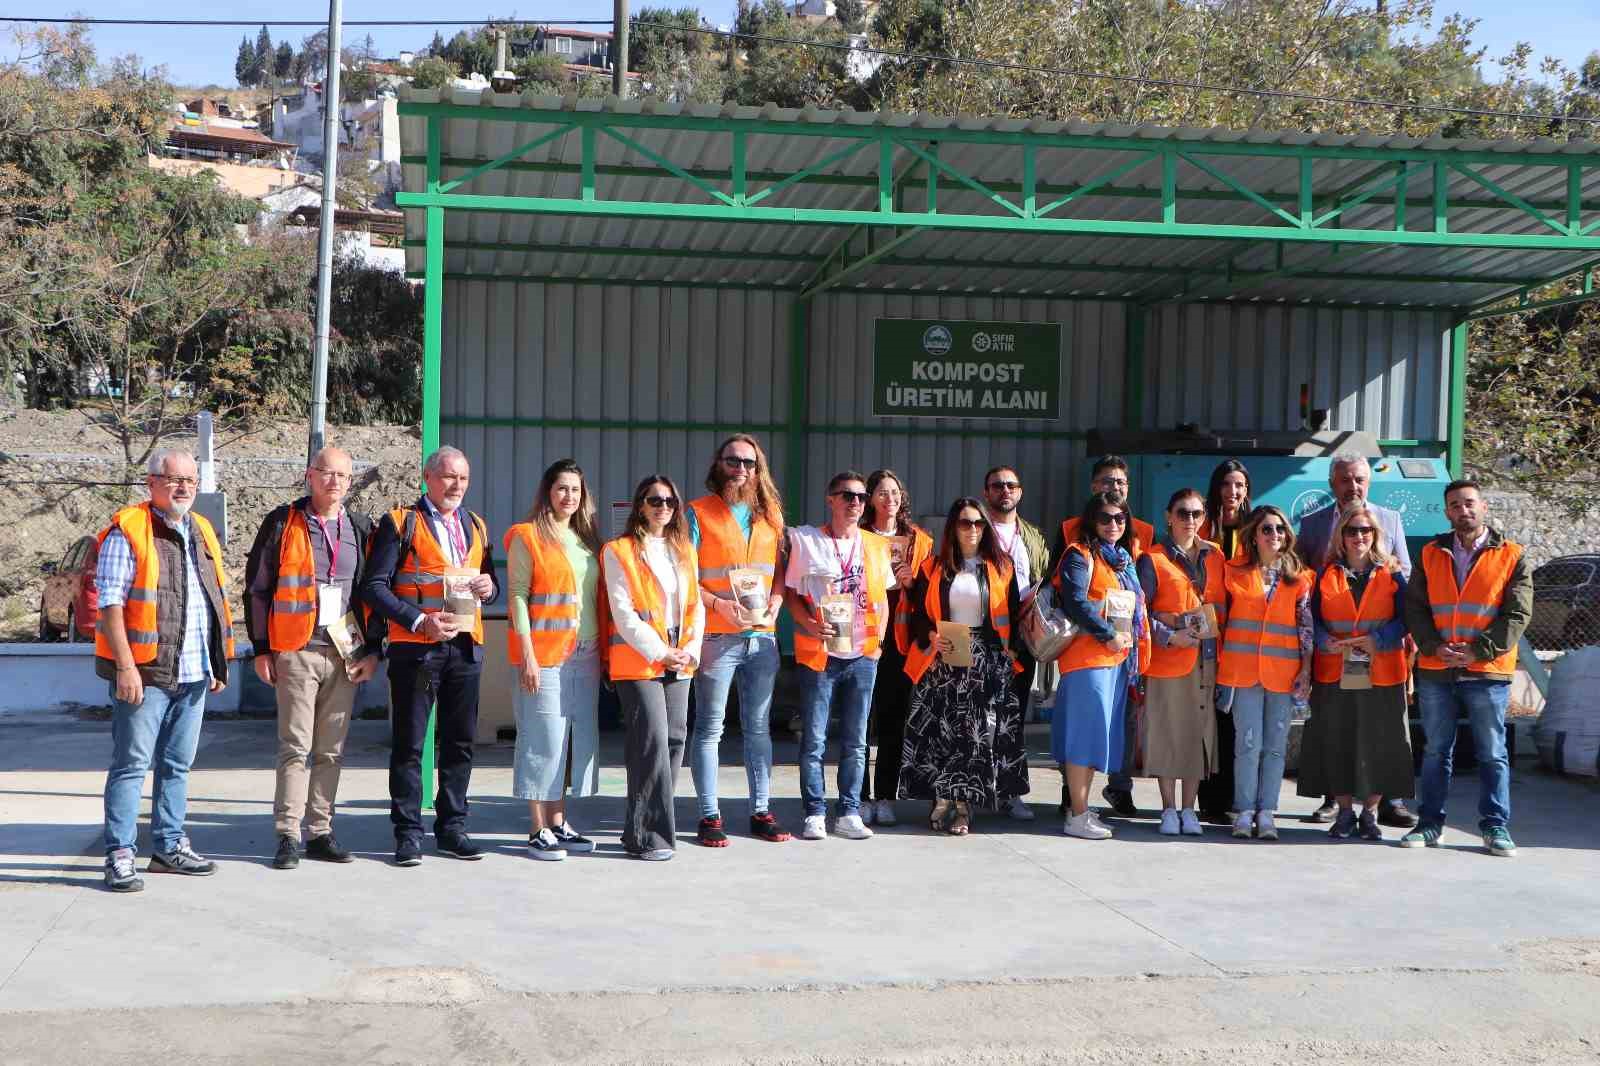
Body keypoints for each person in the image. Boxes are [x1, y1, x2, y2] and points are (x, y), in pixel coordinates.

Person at [96, 449, 236, 893]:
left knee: (177, 765)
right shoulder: (130, 531)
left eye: (190, 481)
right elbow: (110, 606)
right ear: (151, 482)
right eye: (174, 479)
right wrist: (125, 667)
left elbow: (213, 602)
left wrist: (214, 661)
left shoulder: (201, 531)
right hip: (147, 674)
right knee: (131, 766)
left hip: (193, 673)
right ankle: (120, 853)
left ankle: (168, 847)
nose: (183, 488)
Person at [244, 445, 382, 871]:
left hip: (344, 653)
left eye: (343, 475)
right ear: (310, 475)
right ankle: (288, 834)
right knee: (295, 747)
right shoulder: (284, 522)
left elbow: (373, 591)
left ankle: (320, 831)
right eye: (327, 473)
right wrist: (263, 648)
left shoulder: (360, 527)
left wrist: (373, 650)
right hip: (297, 650)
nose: (335, 481)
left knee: (331, 749)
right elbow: (258, 588)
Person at [362, 445, 499, 867]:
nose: (455, 485)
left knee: (460, 742)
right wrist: (419, 621)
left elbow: (487, 576)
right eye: (447, 477)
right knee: (410, 744)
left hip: (464, 647)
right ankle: (408, 834)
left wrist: (488, 589)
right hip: (416, 649)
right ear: (428, 477)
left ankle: (453, 827)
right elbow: (374, 587)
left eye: (462, 478)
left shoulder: (475, 524)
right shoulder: (401, 522)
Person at [1400, 479, 1532, 857]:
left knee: (1492, 753)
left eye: (1469, 503)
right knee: (1436, 751)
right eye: (1455, 505)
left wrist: (1478, 651)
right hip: (1437, 667)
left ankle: (1495, 827)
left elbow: (1518, 613)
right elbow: (1415, 607)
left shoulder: (1512, 554)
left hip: (1487, 671)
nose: (1463, 510)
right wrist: (1432, 646)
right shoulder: (1429, 553)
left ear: (1484, 506)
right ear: (1447, 511)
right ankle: (1429, 825)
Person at [1295, 452, 1418, 828]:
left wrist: (1379, 638)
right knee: (1336, 736)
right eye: (1346, 479)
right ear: (1333, 483)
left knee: (1384, 737)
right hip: (1335, 666)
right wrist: (1321, 641)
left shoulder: (1391, 550)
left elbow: (1407, 601)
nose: (1354, 486)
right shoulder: (1315, 532)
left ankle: (1377, 808)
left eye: (1360, 479)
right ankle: (1339, 804)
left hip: (1381, 664)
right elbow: (1304, 601)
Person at [899, 498, 1026, 835]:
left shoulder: (1002, 566)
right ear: (952, 528)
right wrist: (929, 635)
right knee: (942, 735)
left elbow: (1013, 615)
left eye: (978, 523)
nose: (972, 529)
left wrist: (1008, 655)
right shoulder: (933, 567)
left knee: (974, 738)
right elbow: (918, 615)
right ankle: (942, 798)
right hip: (943, 659)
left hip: (984, 661)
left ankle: (964, 807)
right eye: (965, 523)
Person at [686, 435, 790, 846]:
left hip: (762, 638)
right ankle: (709, 815)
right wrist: (716, 603)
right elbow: (686, 575)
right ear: (719, 464)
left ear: (758, 468)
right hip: (716, 636)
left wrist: (778, 600)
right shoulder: (697, 513)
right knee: (710, 728)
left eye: (748, 462)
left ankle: (760, 810)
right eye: (733, 461)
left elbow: (780, 570)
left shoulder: (771, 515)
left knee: (759, 729)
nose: (740, 469)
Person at [783, 470, 894, 842]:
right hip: (821, 653)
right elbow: (792, 595)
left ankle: (848, 810)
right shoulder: (809, 541)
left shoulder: (875, 546)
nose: (855, 503)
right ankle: (814, 811)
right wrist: (808, 625)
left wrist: (878, 646)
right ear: (830, 499)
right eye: (847, 495)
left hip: (863, 654)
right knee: (814, 738)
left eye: (861, 497)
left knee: (857, 739)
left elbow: (883, 600)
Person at [503, 459, 605, 862]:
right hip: (544, 656)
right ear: (548, 491)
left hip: (586, 654)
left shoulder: (586, 541)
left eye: (576, 490)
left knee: (570, 742)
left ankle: (559, 822)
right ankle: (536, 828)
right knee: (542, 739)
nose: (569, 497)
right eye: (562, 488)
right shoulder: (527, 537)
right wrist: (526, 654)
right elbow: (517, 596)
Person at [602, 475, 705, 861]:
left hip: (680, 656)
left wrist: (689, 649)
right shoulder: (619, 550)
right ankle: (653, 837)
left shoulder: (683, 550)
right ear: (640, 505)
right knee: (652, 742)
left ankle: (640, 827)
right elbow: (623, 612)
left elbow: (695, 604)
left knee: (675, 740)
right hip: (641, 658)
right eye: (654, 500)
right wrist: (662, 651)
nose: (663, 507)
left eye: (669, 501)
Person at [1055, 455, 1154, 817]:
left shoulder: (1125, 558)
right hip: (1090, 655)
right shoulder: (1080, 551)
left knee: (1104, 736)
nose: (1113, 523)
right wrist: (1108, 633)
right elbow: (1073, 599)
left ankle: (1087, 804)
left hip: (1119, 658)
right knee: (1084, 736)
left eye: (1119, 517)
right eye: (1105, 518)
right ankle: (1076, 809)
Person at [1216, 505, 1313, 842]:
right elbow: (1222, 621)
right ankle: (1243, 811)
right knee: (1247, 744)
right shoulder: (1232, 572)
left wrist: (1307, 669)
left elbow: (1305, 629)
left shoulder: (1300, 578)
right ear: (1253, 536)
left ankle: (1267, 812)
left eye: (1280, 529)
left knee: (1275, 747)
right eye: (1267, 530)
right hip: (1243, 674)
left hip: (1283, 675)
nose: (1274, 535)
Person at [1137, 489, 1226, 836]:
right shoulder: (1153, 559)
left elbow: (1223, 606)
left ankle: (1190, 808)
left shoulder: (1215, 557)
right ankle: (1168, 808)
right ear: (1168, 517)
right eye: (1183, 513)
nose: (1190, 520)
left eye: (1197, 513)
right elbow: (1139, 614)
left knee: (1196, 735)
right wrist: (1170, 633)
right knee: (1167, 734)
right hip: (1168, 658)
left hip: (1206, 658)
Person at [861, 468, 933, 827]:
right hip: (862, 638)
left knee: (892, 723)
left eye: (895, 492)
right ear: (870, 499)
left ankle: (886, 796)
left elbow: (933, 593)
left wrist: (913, 582)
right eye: (882, 493)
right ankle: (858, 797)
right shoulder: (857, 537)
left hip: (900, 645)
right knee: (859, 721)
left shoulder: (919, 540)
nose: (890, 499)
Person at [981, 464, 1049, 821]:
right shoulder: (974, 530)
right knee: (976, 718)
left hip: (1020, 641)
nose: (1004, 490)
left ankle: (1010, 791)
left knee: (1012, 720)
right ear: (986, 491)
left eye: (1011, 485)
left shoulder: (1034, 537)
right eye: (997, 486)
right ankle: (972, 790)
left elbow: (1043, 580)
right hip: (984, 637)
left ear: (1020, 492)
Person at [1196, 459, 1250, 825]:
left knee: (1235, 722)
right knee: (1208, 719)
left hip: (1243, 640)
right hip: (1205, 637)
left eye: (1240, 486)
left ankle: (1233, 797)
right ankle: (1208, 799)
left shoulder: (1253, 529)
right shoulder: (1200, 528)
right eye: (1227, 485)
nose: (1233, 492)